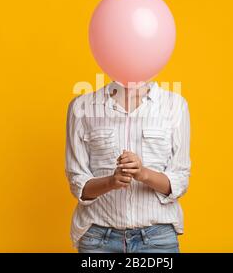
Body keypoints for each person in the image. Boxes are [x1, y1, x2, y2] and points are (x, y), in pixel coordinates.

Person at [65, 80, 191, 253]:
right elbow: (78, 185)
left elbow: (180, 182)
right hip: (99, 239)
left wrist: (143, 174)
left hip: (157, 239)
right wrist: (111, 182)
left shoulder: (175, 105)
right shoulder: (82, 107)